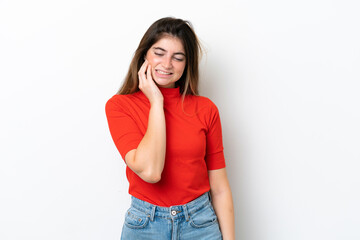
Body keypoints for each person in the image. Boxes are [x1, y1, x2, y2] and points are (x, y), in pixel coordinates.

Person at [105, 17, 235, 240]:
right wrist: (157, 102)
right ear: (144, 55)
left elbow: (220, 188)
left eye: (178, 57)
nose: (167, 64)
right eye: (159, 53)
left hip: (200, 224)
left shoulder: (205, 109)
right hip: (145, 225)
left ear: (186, 64)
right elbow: (151, 172)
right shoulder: (120, 106)